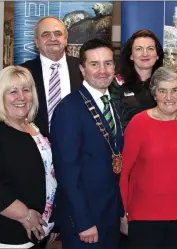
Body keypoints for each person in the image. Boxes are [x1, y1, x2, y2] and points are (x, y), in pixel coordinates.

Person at [50, 39, 124, 248]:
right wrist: (83, 222)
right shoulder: (69, 109)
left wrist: (120, 213)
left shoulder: (113, 104)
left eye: (108, 63)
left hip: (109, 218)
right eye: (94, 64)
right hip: (85, 223)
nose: (103, 70)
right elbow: (67, 173)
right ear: (82, 69)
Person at [120, 67, 177, 249]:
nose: (169, 97)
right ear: (154, 94)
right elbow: (123, 172)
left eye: (175, 90)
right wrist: (122, 213)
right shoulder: (139, 123)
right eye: (162, 91)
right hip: (143, 219)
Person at [0, 66, 56, 248]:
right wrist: (25, 215)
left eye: (26, 90)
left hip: (39, 233)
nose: (21, 97)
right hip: (7, 236)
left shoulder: (36, 129)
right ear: (0, 96)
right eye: (12, 91)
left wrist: (53, 221)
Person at [19, 16, 82, 137]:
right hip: (35, 147)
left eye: (58, 34)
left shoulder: (83, 69)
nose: (52, 38)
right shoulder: (23, 72)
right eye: (45, 35)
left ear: (65, 39)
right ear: (36, 42)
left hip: (78, 147)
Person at [109, 29, 164, 130]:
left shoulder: (166, 83)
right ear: (131, 55)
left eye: (150, 49)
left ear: (157, 55)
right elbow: (114, 121)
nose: (145, 54)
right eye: (139, 49)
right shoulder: (116, 83)